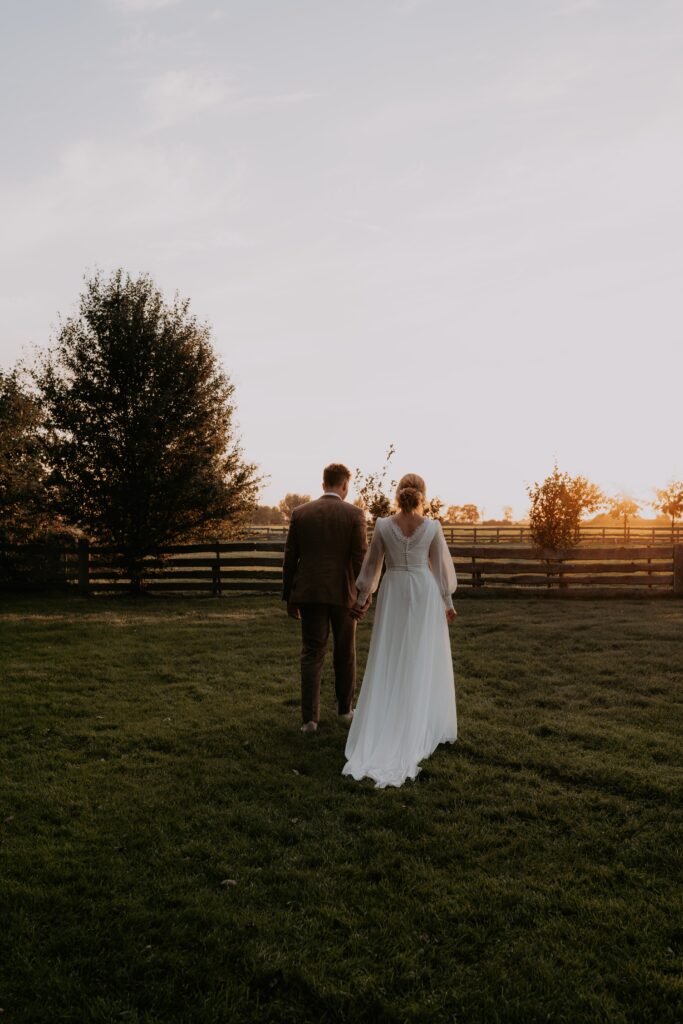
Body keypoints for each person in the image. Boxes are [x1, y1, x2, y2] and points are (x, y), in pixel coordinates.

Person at [342, 473, 458, 787]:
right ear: (423, 494)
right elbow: (440, 568)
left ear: (398, 494)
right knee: (421, 654)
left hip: (393, 590)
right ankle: (416, 716)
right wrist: (447, 602)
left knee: (391, 651)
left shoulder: (382, 526)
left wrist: (363, 598)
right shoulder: (432, 527)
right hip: (422, 590)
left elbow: (371, 566)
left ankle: (391, 717)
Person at [282, 463, 369, 733]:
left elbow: (290, 559)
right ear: (344, 486)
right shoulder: (355, 514)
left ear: (323, 484)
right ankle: (345, 711)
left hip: (309, 593)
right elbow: (360, 559)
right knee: (345, 653)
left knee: (312, 653)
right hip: (344, 594)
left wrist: (289, 597)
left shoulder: (300, 513)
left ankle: (310, 720)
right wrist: (363, 598)